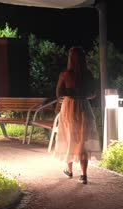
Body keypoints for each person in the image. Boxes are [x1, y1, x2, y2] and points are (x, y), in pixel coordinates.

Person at [53, 47, 101, 184]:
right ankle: (84, 175)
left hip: (69, 107)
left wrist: (69, 95)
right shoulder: (88, 74)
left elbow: (59, 94)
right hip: (84, 107)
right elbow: (93, 94)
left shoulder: (64, 75)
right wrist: (82, 94)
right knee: (83, 140)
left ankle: (69, 171)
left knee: (69, 137)